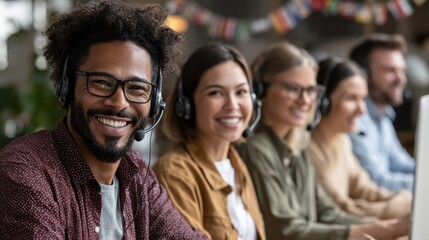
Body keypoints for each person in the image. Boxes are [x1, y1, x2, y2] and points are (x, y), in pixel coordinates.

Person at [0, 1, 207, 239]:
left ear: (155, 100)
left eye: (137, 88)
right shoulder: (25, 172)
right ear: (67, 87)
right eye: (101, 83)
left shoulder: (137, 176)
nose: (119, 103)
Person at [238, 41, 410, 240]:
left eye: (311, 90)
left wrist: (389, 226)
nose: (305, 100)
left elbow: (326, 212)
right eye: (293, 88)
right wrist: (389, 229)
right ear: (260, 92)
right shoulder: (256, 148)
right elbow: (286, 231)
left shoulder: (296, 144)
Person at [153, 42, 266, 240]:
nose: (232, 105)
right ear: (186, 105)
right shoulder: (175, 173)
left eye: (241, 92)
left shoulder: (236, 166)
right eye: (216, 93)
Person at [308, 57, 412, 219]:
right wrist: (404, 203)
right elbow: (343, 210)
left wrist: (404, 197)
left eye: (363, 99)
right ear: (323, 102)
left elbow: (366, 190)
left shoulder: (341, 141)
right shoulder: (309, 150)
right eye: (351, 99)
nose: (362, 110)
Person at [349, 33, 415, 192]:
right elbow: (376, 181)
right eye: (390, 70)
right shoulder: (353, 118)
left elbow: (400, 164)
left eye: (402, 70)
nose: (400, 79)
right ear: (363, 74)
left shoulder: (383, 114)